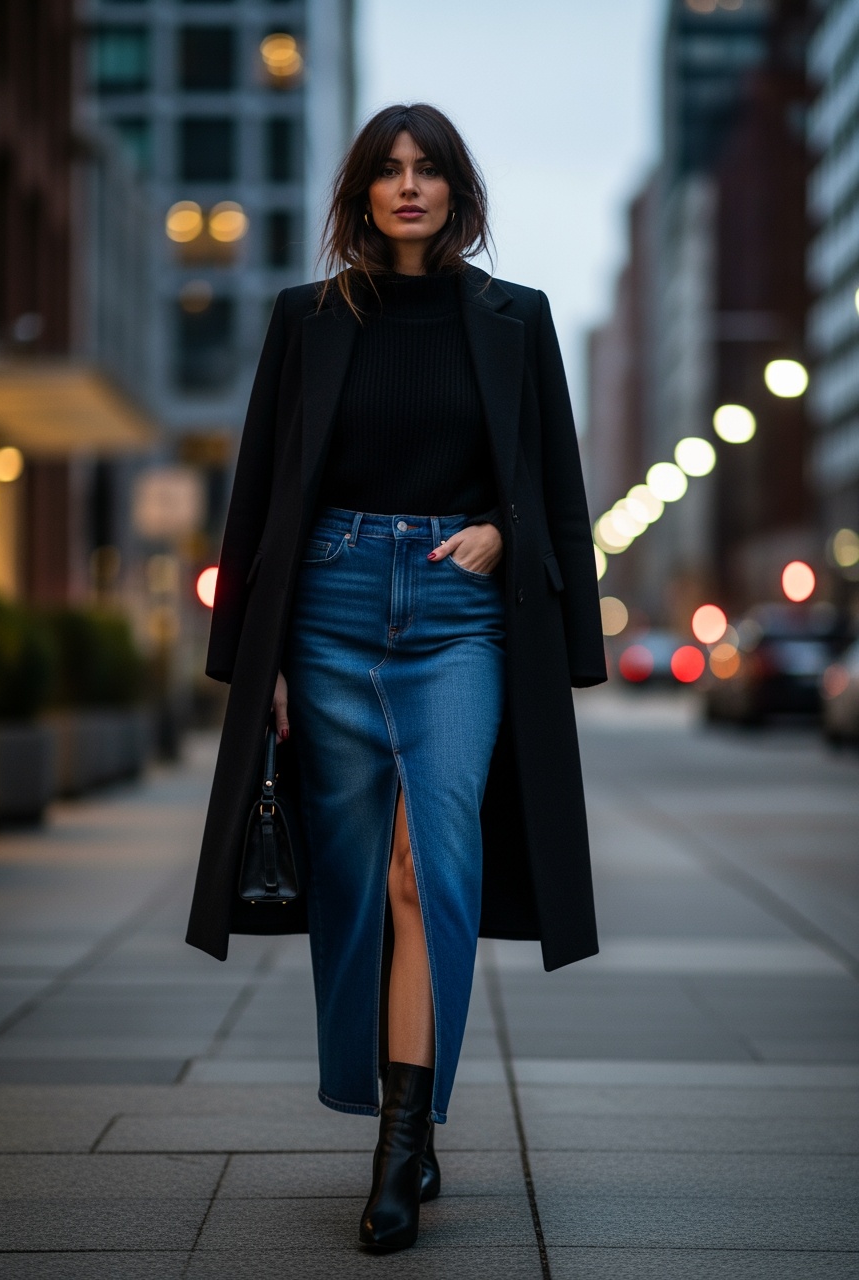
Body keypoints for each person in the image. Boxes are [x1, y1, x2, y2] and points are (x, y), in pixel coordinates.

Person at [186, 102, 607, 1252]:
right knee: (354, 879)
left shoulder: (516, 318)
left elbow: (551, 481)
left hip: (457, 615)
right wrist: (258, 661)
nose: (408, 185)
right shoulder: (305, 318)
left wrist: (503, 535)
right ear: (361, 193)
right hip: (326, 603)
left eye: (428, 169)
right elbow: (261, 489)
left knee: (432, 868)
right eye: (388, 169)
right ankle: (393, 1117)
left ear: (456, 191)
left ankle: (401, 1138)